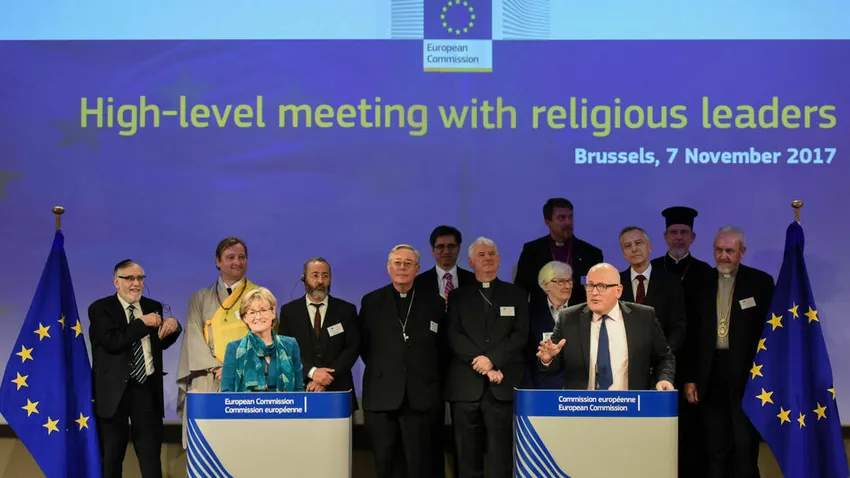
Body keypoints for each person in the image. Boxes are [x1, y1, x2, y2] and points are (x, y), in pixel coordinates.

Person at [682, 227, 774, 478]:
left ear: (742, 252)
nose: (723, 256)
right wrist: (689, 378)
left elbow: (771, 334)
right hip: (710, 376)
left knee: (745, 448)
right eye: (719, 250)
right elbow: (689, 335)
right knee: (715, 449)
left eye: (729, 251)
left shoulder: (761, 283)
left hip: (748, 378)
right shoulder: (699, 282)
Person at [359, 245, 447, 478]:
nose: (402, 267)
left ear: (417, 269)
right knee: (386, 464)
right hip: (381, 395)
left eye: (408, 263)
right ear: (388, 267)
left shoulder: (434, 303)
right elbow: (365, 346)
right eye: (397, 262)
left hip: (420, 397)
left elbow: (441, 349)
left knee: (420, 466)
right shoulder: (371, 302)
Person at [88, 260, 182, 478]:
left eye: (140, 278)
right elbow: (113, 341)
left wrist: (174, 327)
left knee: (151, 460)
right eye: (130, 278)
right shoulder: (100, 309)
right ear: (116, 282)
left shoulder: (152, 306)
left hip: (146, 390)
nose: (136, 283)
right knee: (111, 459)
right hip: (113, 395)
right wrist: (141, 322)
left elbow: (159, 343)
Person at [445, 237, 528, 478]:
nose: (488, 258)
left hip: (502, 386)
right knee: (467, 456)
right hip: (466, 387)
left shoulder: (516, 294)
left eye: (492, 253)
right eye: (481, 255)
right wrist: (484, 364)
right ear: (471, 262)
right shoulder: (458, 296)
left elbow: (520, 334)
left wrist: (493, 360)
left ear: (499, 259)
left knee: (500, 456)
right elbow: (454, 335)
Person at [537, 263, 675, 391]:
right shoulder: (568, 318)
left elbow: (664, 358)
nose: (594, 292)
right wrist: (547, 359)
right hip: (582, 405)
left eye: (601, 286)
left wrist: (664, 379)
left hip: (631, 404)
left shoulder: (643, 317)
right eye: (590, 285)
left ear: (618, 291)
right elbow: (553, 367)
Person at [176, 237, 261, 445]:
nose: (237, 262)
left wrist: (233, 367)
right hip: (208, 375)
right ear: (218, 261)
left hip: (246, 375)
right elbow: (193, 336)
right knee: (207, 442)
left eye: (242, 257)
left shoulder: (259, 296)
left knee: (244, 443)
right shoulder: (200, 298)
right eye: (230, 257)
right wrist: (216, 368)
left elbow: (264, 339)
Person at [649, 206, 714, 478]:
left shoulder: (705, 273)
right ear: (665, 237)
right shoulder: (652, 270)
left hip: (690, 367)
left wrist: (692, 376)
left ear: (693, 237)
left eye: (684, 232)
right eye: (673, 232)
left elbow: (704, 330)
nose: (678, 237)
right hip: (654, 366)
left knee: (690, 438)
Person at [413, 225, 476, 478]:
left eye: (451, 246)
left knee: (466, 436)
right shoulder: (418, 283)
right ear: (432, 250)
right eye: (440, 247)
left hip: (466, 367)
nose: (446, 251)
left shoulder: (473, 281)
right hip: (430, 368)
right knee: (431, 433)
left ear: (459, 249)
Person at [278, 257, 359, 406]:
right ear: (303, 278)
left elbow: (352, 348)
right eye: (315, 275)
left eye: (325, 276)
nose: (320, 281)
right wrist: (312, 372)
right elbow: (285, 350)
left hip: (339, 392)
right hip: (301, 390)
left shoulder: (346, 310)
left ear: (330, 279)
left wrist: (326, 377)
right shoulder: (289, 312)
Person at [515, 197, 603, 308]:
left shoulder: (591, 253)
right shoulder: (532, 251)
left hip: (579, 314)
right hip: (541, 315)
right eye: (561, 218)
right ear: (547, 222)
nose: (568, 222)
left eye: (570, 217)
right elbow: (520, 291)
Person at [618, 226, 687, 354]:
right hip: (624, 357)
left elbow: (678, 326)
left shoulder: (670, 282)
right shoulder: (616, 283)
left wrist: (663, 354)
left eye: (638, 243)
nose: (634, 249)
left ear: (649, 247)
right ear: (623, 253)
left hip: (661, 358)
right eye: (628, 246)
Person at [221, 287, 304, 392]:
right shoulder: (234, 348)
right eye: (252, 312)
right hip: (246, 403)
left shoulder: (290, 345)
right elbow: (226, 392)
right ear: (245, 318)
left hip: (285, 403)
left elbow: (298, 390)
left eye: (263, 310)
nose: (258, 317)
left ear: (273, 312)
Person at [522, 260, 572, 389]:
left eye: (569, 281)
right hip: (543, 386)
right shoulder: (530, 313)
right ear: (545, 285)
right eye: (561, 281)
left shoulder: (582, 311)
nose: (568, 286)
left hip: (576, 388)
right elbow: (526, 356)